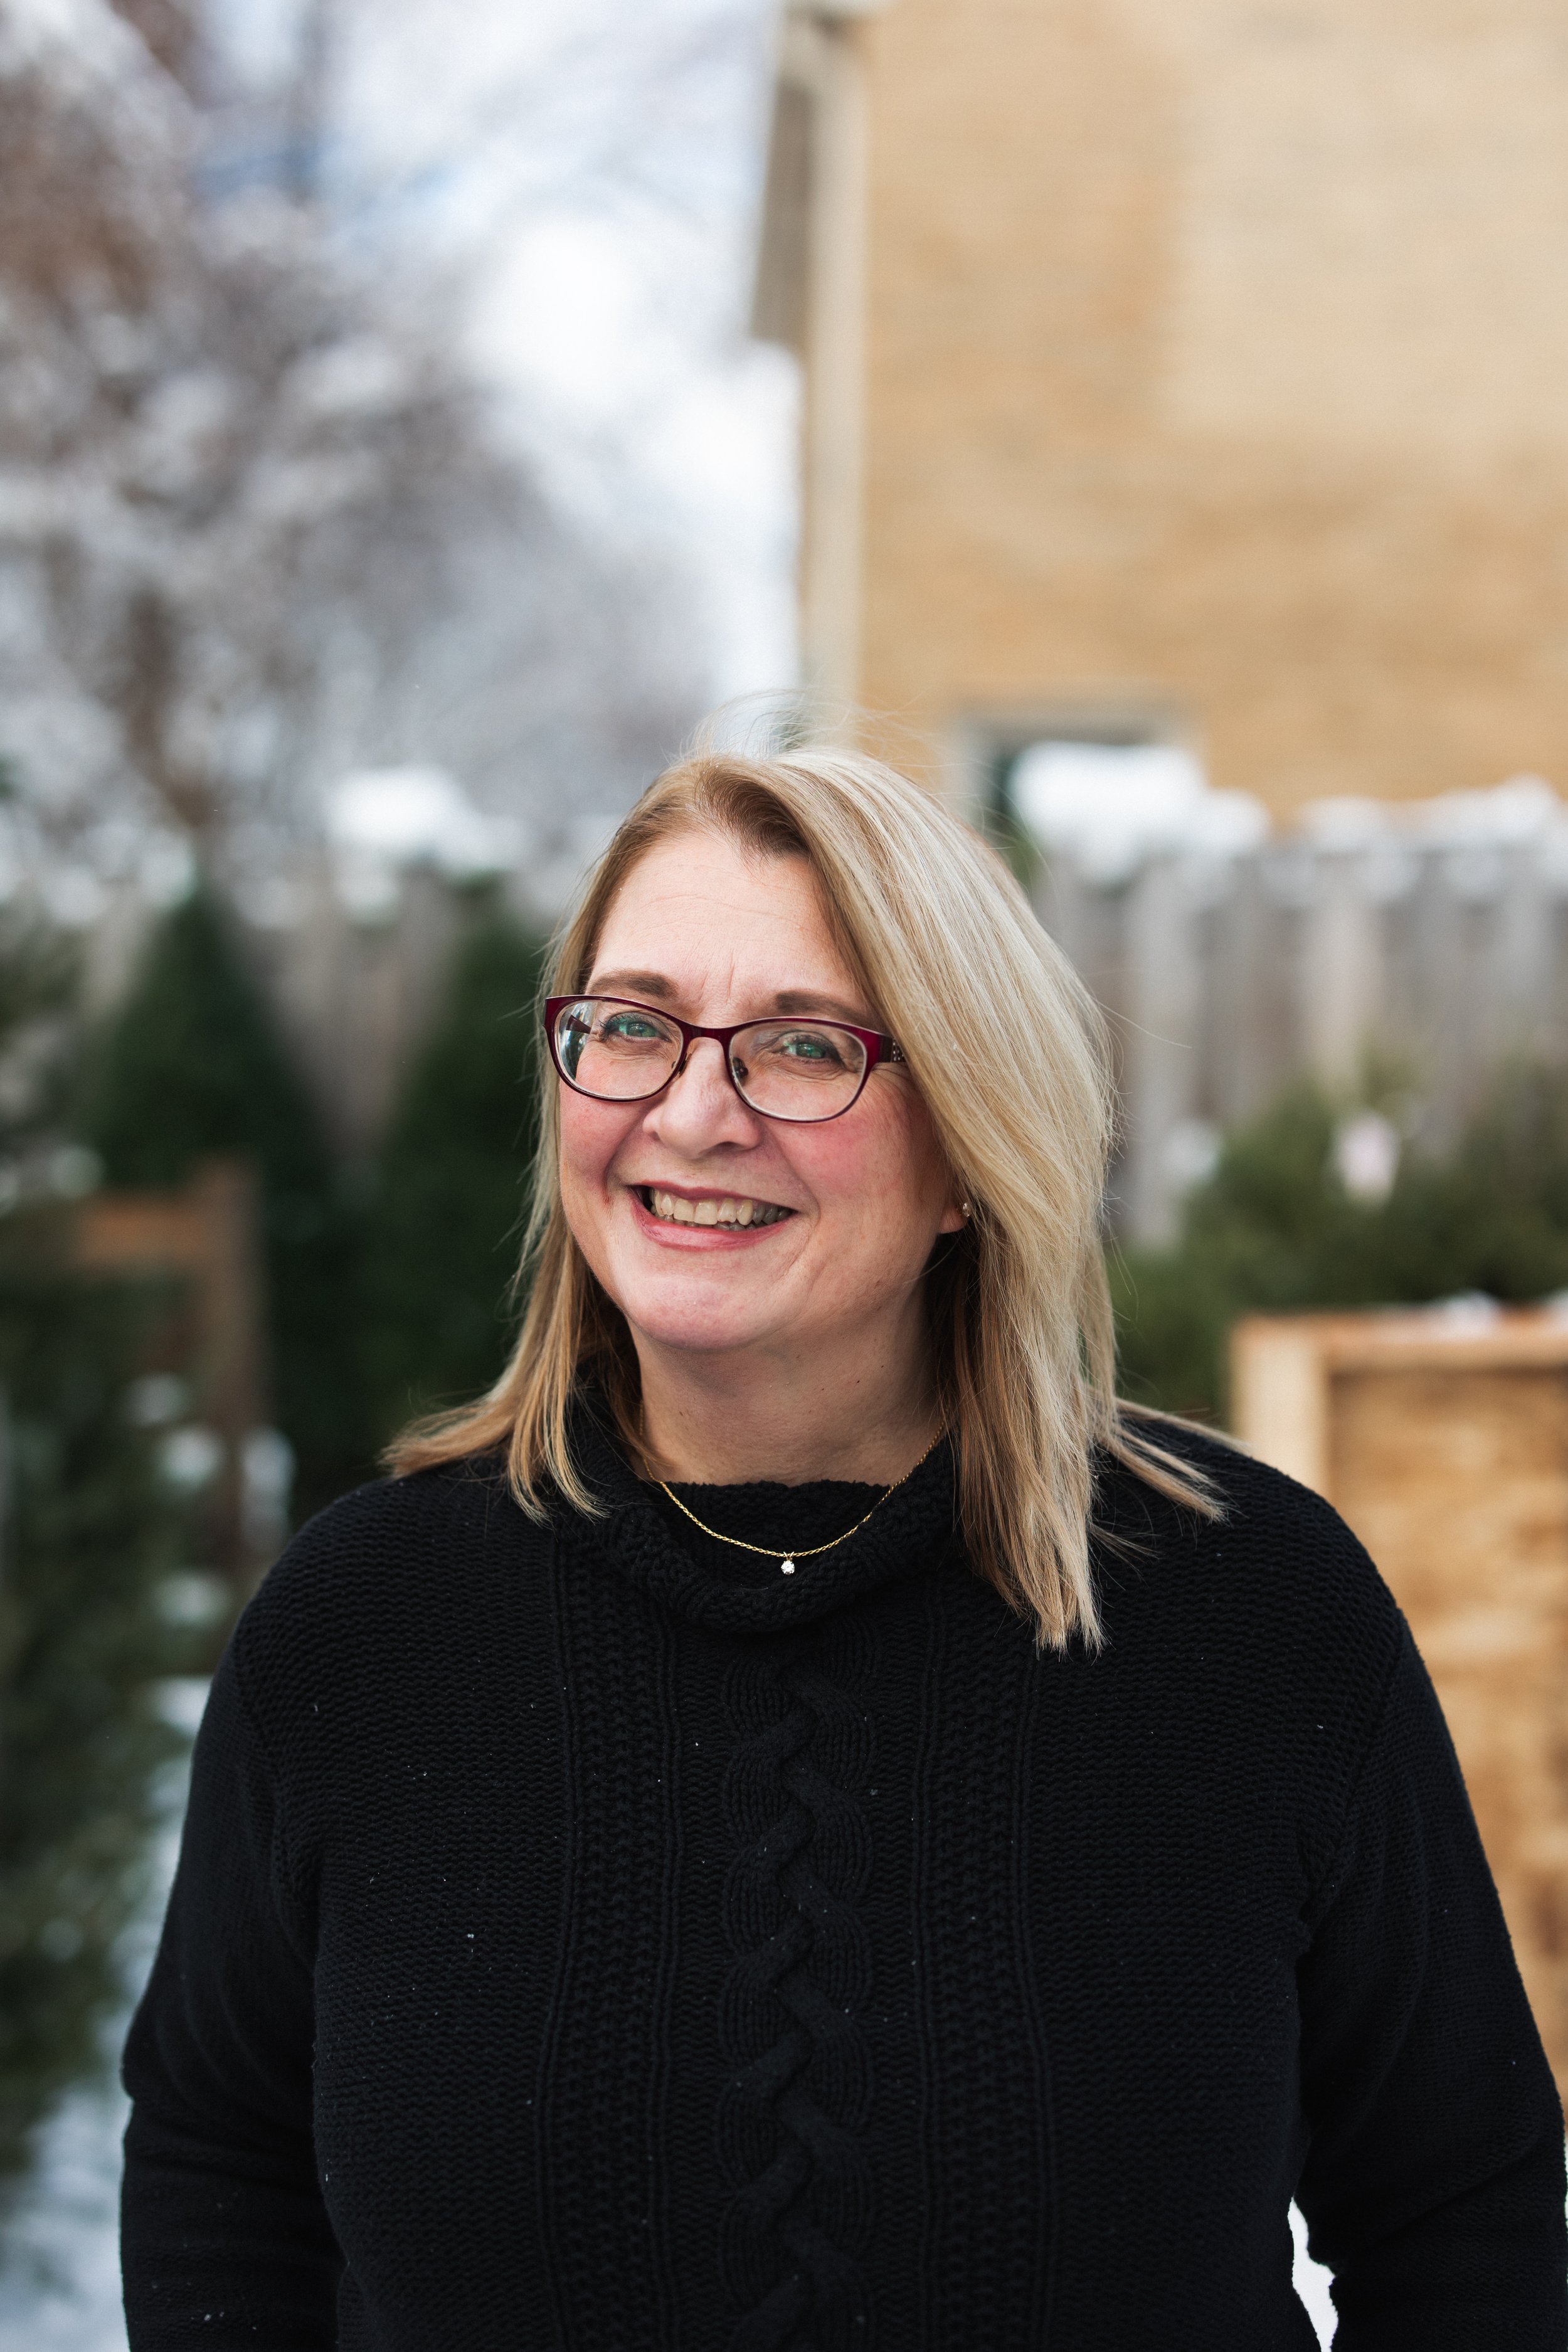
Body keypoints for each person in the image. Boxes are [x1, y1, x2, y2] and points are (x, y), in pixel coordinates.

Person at [121, 746, 1566, 2349]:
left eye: (801, 1047)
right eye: (630, 1025)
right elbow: (219, 2167)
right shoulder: (361, 1634)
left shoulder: (1250, 1616)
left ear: (966, 1143)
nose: (686, 1111)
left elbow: (1458, 2213)